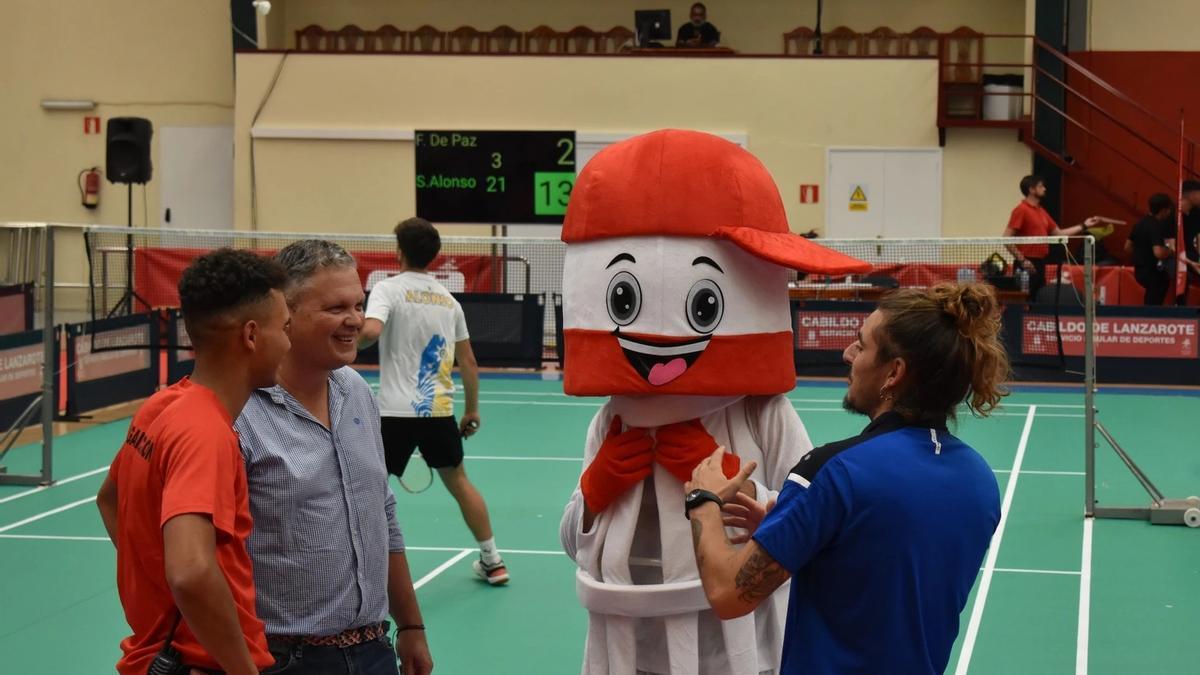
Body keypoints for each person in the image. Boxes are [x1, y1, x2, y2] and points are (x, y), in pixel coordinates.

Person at [557, 129, 870, 674]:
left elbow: (812, 524)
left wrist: (739, 489)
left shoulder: (760, 412)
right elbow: (572, 537)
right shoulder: (615, 417)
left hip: (737, 645)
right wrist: (593, 490)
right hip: (627, 646)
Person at [686, 282, 1006, 675]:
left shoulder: (833, 471)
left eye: (861, 345)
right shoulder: (980, 481)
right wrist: (793, 532)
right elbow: (883, 568)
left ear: (894, 372)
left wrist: (702, 499)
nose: (847, 354)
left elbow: (727, 594)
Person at [234, 240, 433, 675]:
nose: (355, 321)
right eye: (336, 308)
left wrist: (411, 626)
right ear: (285, 313)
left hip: (374, 649)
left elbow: (382, 511)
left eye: (358, 305)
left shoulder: (357, 392)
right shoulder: (239, 416)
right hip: (282, 660)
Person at [96, 249, 291, 675]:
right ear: (252, 336)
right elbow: (189, 571)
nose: (289, 344)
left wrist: (158, 596)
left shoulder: (161, 406)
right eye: (285, 328)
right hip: (206, 664)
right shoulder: (207, 434)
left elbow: (108, 500)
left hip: (159, 655)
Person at [359, 217, 508, 585]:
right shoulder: (448, 301)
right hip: (437, 410)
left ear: (399, 251)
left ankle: (365, 564)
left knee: (374, 486)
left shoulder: (387, 289)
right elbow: (468, 362)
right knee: (459, 481)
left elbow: (370, 333)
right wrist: (472, 409)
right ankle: (493, 559)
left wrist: (341, 339)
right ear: (434, 256)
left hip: (393, 411)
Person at [1003, 174, 1100, 297]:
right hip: (1026, 264)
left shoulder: (1041, 212)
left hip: (1040, 263)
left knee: (1036, 301)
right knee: (1023, 302)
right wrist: (1023, 260)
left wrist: (1084, 225)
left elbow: (1059, 233)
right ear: (1031, 190)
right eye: (1040, 186)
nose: (1044, 188)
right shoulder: (1021, 210)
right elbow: (1006, 238)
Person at [1126, 192, 1176, 306]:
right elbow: (1158, 252)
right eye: (1168, 210)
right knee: (1153, 303)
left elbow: (1127, 247)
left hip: (1139, 271)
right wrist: (1171, 252)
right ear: (1163, 210)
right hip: (1153, 272)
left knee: (1150, 298)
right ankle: (1151, 319)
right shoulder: (1155, 226)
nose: (1169, 213)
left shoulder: (1139, 223)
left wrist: (1141, 253)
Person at [1179, 180, 1200, 298]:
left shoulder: (1197, 212)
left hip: (1193, 255)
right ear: (1191, 194)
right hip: (1179, 255)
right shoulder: (1173, 214)